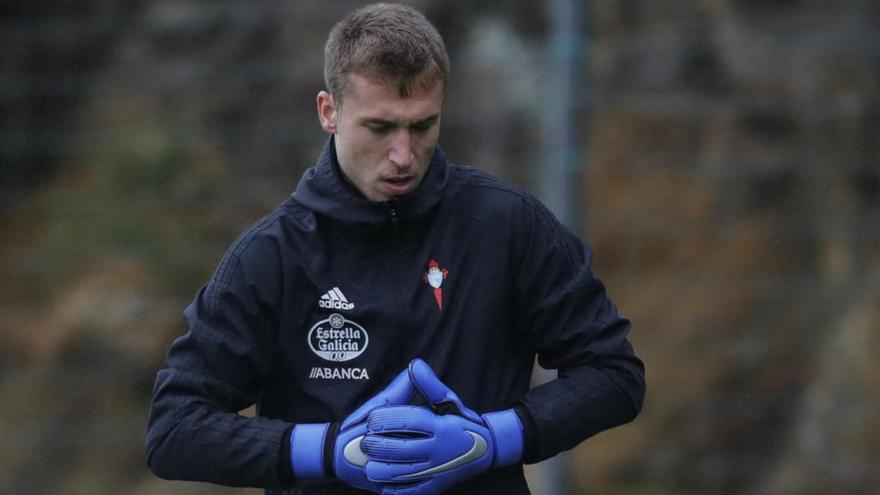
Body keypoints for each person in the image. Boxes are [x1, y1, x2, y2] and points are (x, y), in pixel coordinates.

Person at [146, 3, 645, 494]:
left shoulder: (506, 224)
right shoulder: (271, 256)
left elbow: (614, 373)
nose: (403, 156)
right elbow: (175, 428)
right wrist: (326, 451)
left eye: (422, 125)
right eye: (380, 128)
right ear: (329, 112)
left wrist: (493, 439)